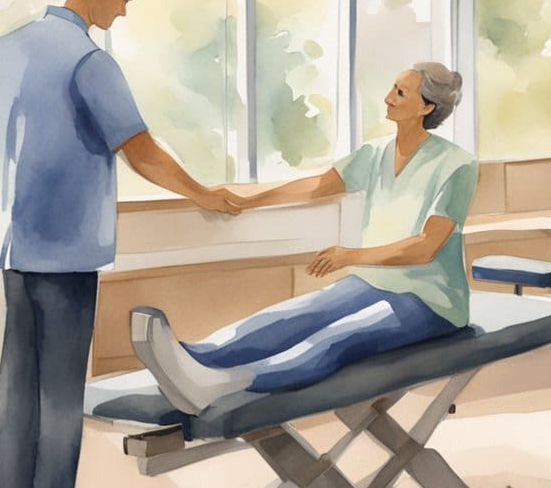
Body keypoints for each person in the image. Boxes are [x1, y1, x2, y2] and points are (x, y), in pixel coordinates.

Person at [0, 0, 241, 488]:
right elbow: (139, 151)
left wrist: (26, 159)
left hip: (12, 251)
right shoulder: (90, 61)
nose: (126, 13)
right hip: (66, 258)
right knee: (60, 410)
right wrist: (201, 194)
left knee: (15, 408)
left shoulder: (6, 49)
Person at [131, 61, 478, 414]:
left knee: (337, 338)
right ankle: (190, 356)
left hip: (432, 302)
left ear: (427, 107)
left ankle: (223, 385)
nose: (387, 98)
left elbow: (426, 247)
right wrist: (251, 200)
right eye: (392, 87)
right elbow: (317, 186)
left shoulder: (457, 165)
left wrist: (349, 256)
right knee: (291, 316)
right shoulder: (376, 154)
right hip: (374, 281)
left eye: (400, 93)